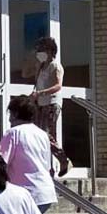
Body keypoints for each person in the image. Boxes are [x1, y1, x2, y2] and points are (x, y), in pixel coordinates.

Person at [32, 36, 72, 177]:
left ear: (49, 50)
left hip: (51, 103)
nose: (39, 53)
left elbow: (57, 85)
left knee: (46, 135)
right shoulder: (42, 66)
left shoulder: (55, 66)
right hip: (41, 104)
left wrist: (41, 93)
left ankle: (63, 159)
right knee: (43, 136)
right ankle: (49, 168)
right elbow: (27, 74)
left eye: (41, 50)